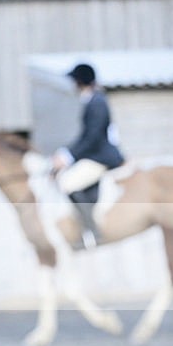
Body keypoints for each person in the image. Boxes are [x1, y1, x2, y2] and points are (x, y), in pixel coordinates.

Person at [51, 63, 124, 246]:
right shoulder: (92, 100)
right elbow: (86, 136)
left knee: (67, 183)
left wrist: (67, 157)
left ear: (79, 81)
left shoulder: (96, 102)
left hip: (101, 157)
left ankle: (93, 232)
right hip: (95, 154)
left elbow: (93, 137)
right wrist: (65, 153)